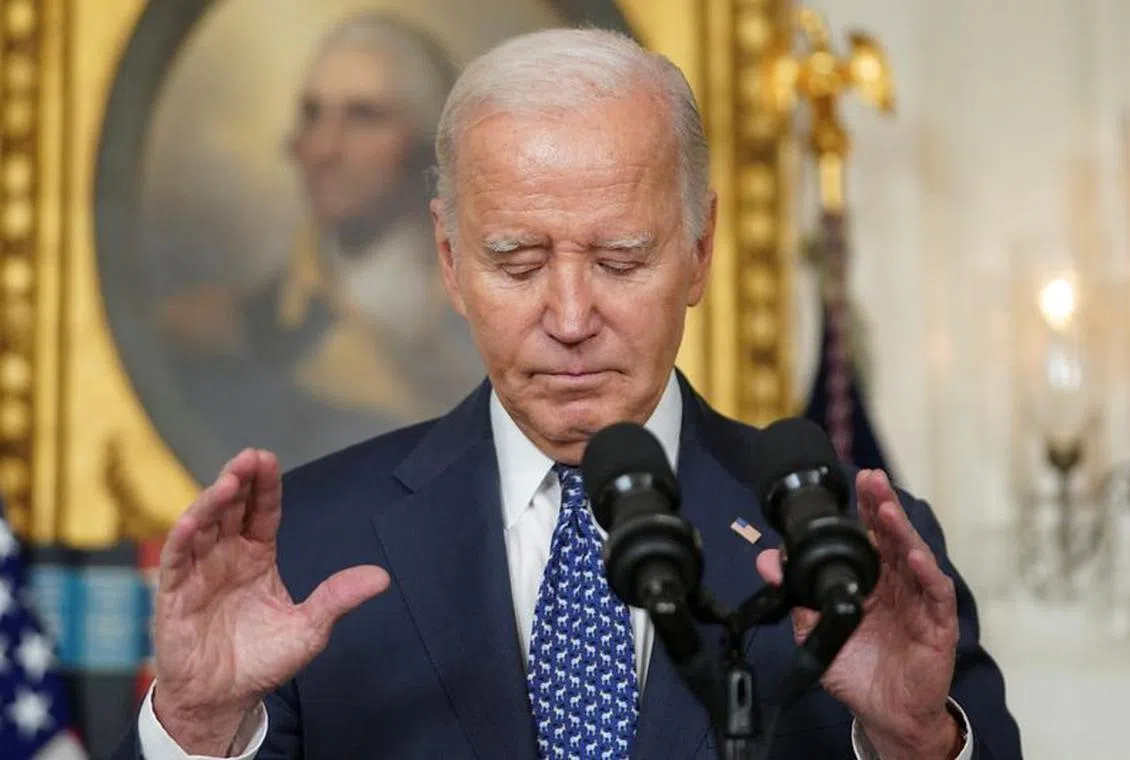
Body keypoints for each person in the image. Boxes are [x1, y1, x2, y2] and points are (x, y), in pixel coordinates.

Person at [116, 27, 1021, 760]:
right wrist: (194, 731)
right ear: (450, 261)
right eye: (517, 260)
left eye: (621, 259)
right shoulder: (308, 545)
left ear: (700, 252)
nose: (572, 315)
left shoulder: (846, 547)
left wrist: (918, 745)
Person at [157, 12, 484, 473]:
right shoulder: (234, 331)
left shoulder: (492, 318)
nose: (326, 147)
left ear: (429, 146)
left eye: (364, 117)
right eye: (313, 116)